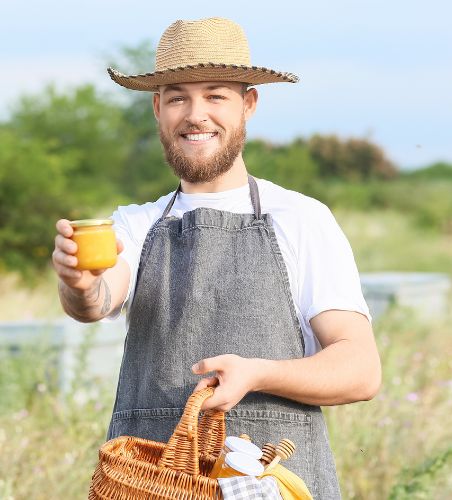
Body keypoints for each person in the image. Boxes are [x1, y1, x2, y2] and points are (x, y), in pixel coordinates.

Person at [52, 17, 381, 498]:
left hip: (276, 482)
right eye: (178, 96)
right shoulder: (135, 223)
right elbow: (98, 298)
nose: (195, 113)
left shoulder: (301, 218)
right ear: (157, 109)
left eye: (216, 95)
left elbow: (360, 370)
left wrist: (261, 373)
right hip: (150, 483)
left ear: (248, 104)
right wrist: (79, 284)